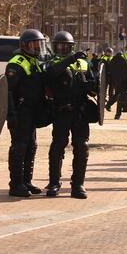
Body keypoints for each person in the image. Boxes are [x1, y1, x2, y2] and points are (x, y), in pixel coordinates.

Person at [44, 31, 93, 199]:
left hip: (80, 112)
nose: (63, 48)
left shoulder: (83, 64)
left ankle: (78, 184)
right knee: (58, 146)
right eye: (59, 46)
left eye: (66, 46)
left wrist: (92, 86)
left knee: (82, 146)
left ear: (72, 47)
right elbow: (51, 73)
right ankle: (54, 183)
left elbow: (94, 84)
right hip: (61, 110)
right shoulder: (51, 62)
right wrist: (71, 59)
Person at [6, 29, 48, 198]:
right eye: (34, 44)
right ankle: (15, 184)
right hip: (20, 111)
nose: (37, 47)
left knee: (31, 146)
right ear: (24, 45)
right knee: (19, 147)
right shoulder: (16, 63)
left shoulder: (34, 61)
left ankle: (26, 181)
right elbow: (8, 91)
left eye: (39, 44)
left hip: (32, 112)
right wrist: (11, 114)